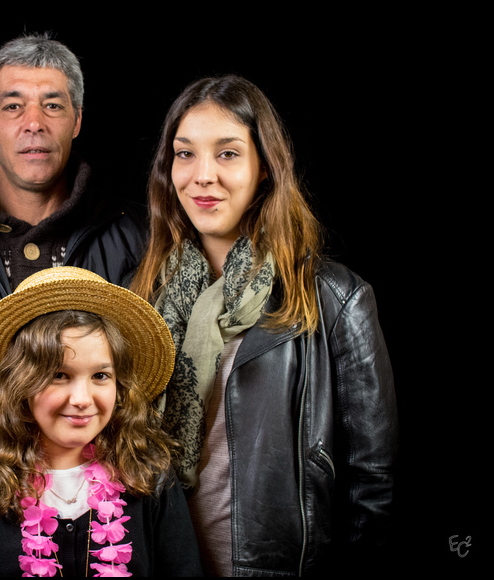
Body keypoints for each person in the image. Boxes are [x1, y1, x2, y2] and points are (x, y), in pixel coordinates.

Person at [131, 74, 398, 575]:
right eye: (185, 154)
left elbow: (374, 484)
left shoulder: (334, 298)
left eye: (228, 153)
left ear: (265, 169)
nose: (202, 175)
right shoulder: (143, 297)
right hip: (158, 560)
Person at [0, 266, 203, 576]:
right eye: (59, 375)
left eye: (101, 375)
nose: (82, 399)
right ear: (21, 384)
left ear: (120, 385)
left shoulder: (151, 480)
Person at [0, 33, 146, 310]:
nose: (34, 124)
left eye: (52, 106)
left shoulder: (144, 237)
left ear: (77, 121)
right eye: (13, 106)